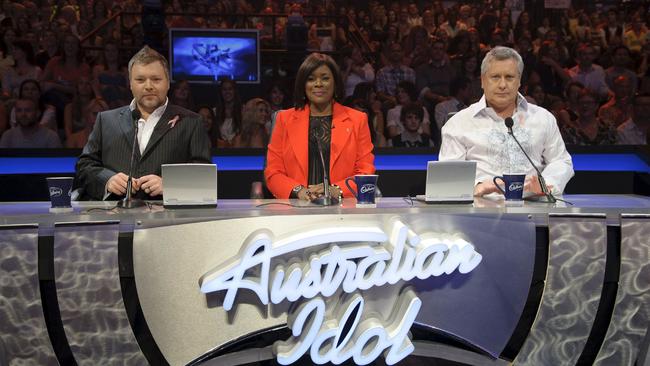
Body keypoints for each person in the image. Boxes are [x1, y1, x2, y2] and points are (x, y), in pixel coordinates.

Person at [75, 46, 211, 201]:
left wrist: (170, 185)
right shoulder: (105, 120)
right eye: (140, 80)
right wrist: (107, 180)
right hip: (115, 216)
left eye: (156, 79)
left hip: (167, 220)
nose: (148, 86)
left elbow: (203, 174)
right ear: (130, 84)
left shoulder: (191, 122)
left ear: (167, 83)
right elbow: (84, 166)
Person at [439, 46, 574, 197]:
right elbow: (449, 178)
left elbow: (561, 161)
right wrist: (478, 187)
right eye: (495, 77)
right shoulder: (458, 124)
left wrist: (545, 185)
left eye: (509, 77)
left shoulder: (543, 118)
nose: (502, 85)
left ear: (519, 81)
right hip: (478, 212)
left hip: (534, 207)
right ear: (483, 81)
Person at [265, 52, 375, 201]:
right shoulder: (284, 120)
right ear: (303, 85)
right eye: (311, 79)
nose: (318, 84)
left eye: (325, 78)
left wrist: (336, 190)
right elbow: (273, 172)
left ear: (335, 83)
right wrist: (299, 191)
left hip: (341, 209)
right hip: (296, 207)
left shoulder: (357, 120)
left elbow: (366, 171)